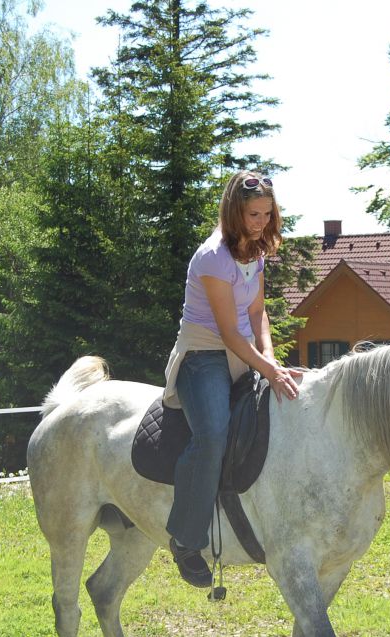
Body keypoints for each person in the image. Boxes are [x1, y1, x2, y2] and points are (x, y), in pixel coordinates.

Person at [161, 171, 302, 588]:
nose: (260, 222)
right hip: (203, 356)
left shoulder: (254, 253)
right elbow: (227, 332)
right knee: (213, 435)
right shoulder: (212, 258)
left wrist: (272, 361)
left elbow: (258, 313)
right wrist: (266, 368)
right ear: (233, 211)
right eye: (253, 214)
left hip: (244, 353)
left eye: (266, 214)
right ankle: (185, 539)